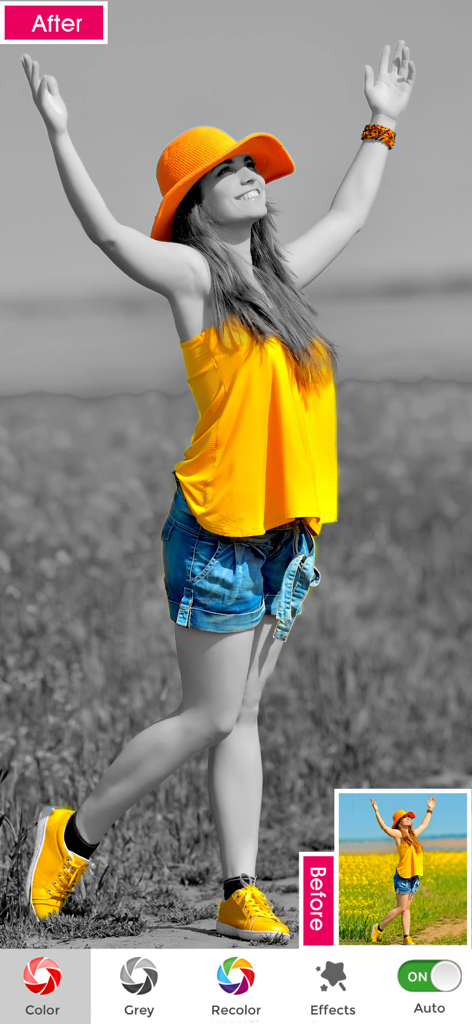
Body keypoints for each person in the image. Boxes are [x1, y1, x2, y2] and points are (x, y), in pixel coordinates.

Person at [22, 41, 415, 942]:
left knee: (243, 716)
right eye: (225, 172)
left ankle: (238, 889)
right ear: (194, 208)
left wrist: (382, 120)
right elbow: (109, 235)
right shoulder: (197, 279)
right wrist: (60, 134)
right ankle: (70, 837)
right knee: (209, 715)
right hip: (218, 528)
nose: (248, 176)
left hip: (285, 531)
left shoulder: (281, 284)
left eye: (251, 167)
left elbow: (351, 212)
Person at [370, 797, 436, 945]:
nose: (407, 818)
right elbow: (385, 828)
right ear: (398, 823)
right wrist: (377, 811)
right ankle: (378, 928)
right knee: (401, 907)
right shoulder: (399, 835)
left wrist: (430, 809)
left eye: (408, 816)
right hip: (403, 876)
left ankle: (406, 937)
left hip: (413, 877)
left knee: (406, 908)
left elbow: (424, 824)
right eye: (404, 817)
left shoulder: (413, 836)